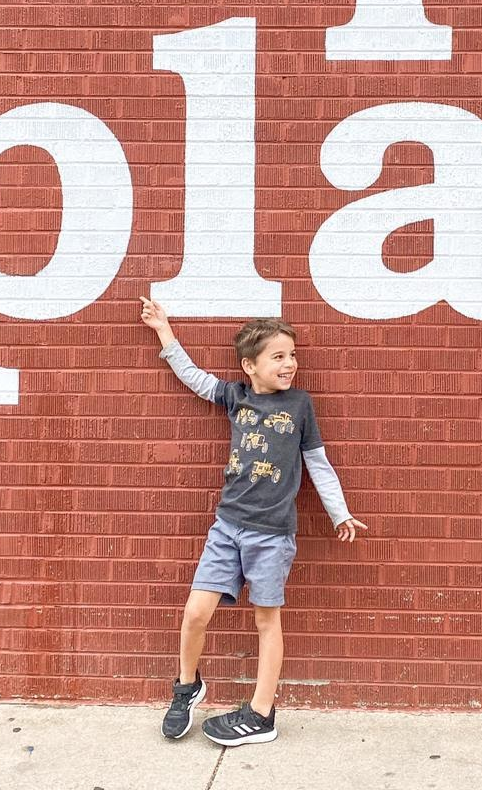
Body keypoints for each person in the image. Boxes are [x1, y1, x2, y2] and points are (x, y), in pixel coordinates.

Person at [139, 299, 366, 747]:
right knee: (195, 612)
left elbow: (318, 463)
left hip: (272, 534)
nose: (289, 364)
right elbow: (194, 377)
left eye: (292, 355)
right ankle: (187, 686)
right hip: (227, 527)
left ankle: (262, 713)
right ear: (250, 365)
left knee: (267, 621)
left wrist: (339, 511)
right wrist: (164, 331)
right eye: (278, 356)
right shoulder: (235, 396)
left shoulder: (300, 405)